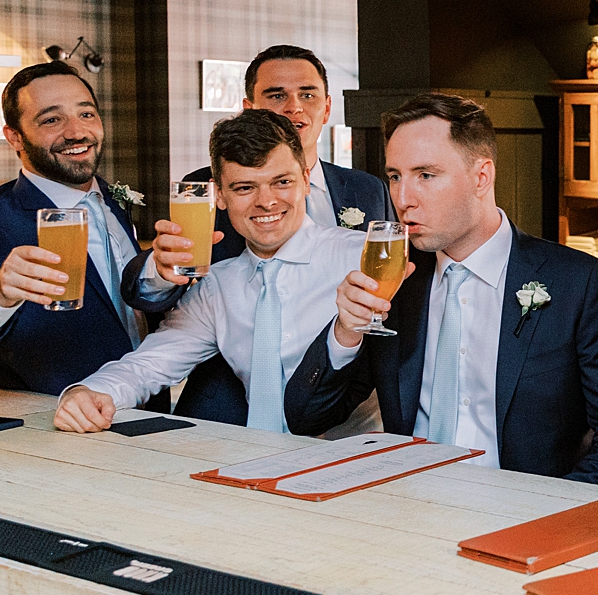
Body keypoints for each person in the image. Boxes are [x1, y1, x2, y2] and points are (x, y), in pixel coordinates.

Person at [329, 93, 598, 486]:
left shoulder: (579, 283)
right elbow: (309, 414)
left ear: (482, 177)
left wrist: (541, 518)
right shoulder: (399, 284)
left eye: (425, 176)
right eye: (395, 176)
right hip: (407, 508)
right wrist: (345, 332)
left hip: (528, 520)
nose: (402, 198)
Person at [54, 109, 375, 436]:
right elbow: (148, 364)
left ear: (306, 181)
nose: (266, 202)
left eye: (282, 182)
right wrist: (88, 393)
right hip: (247, 463)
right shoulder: (218, 286)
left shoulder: (362, 257)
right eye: (245, 188)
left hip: (357, 459)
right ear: (219, 196)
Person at [135, 44, 391, 419]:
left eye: (307, 94)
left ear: (328, 106)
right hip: (239, 398)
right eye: (276, 95)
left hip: (351, 402)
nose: (294, 107)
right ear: (249, 107)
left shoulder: (366, 189)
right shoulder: (204, 190)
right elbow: (176, 308)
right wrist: (160, 271)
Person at [0, 61, 169, 407]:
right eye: (51, 120)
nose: (76, 132)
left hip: (148, 413)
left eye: (86, 114)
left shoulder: (111, 200)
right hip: (54, 426)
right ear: (14, 136)